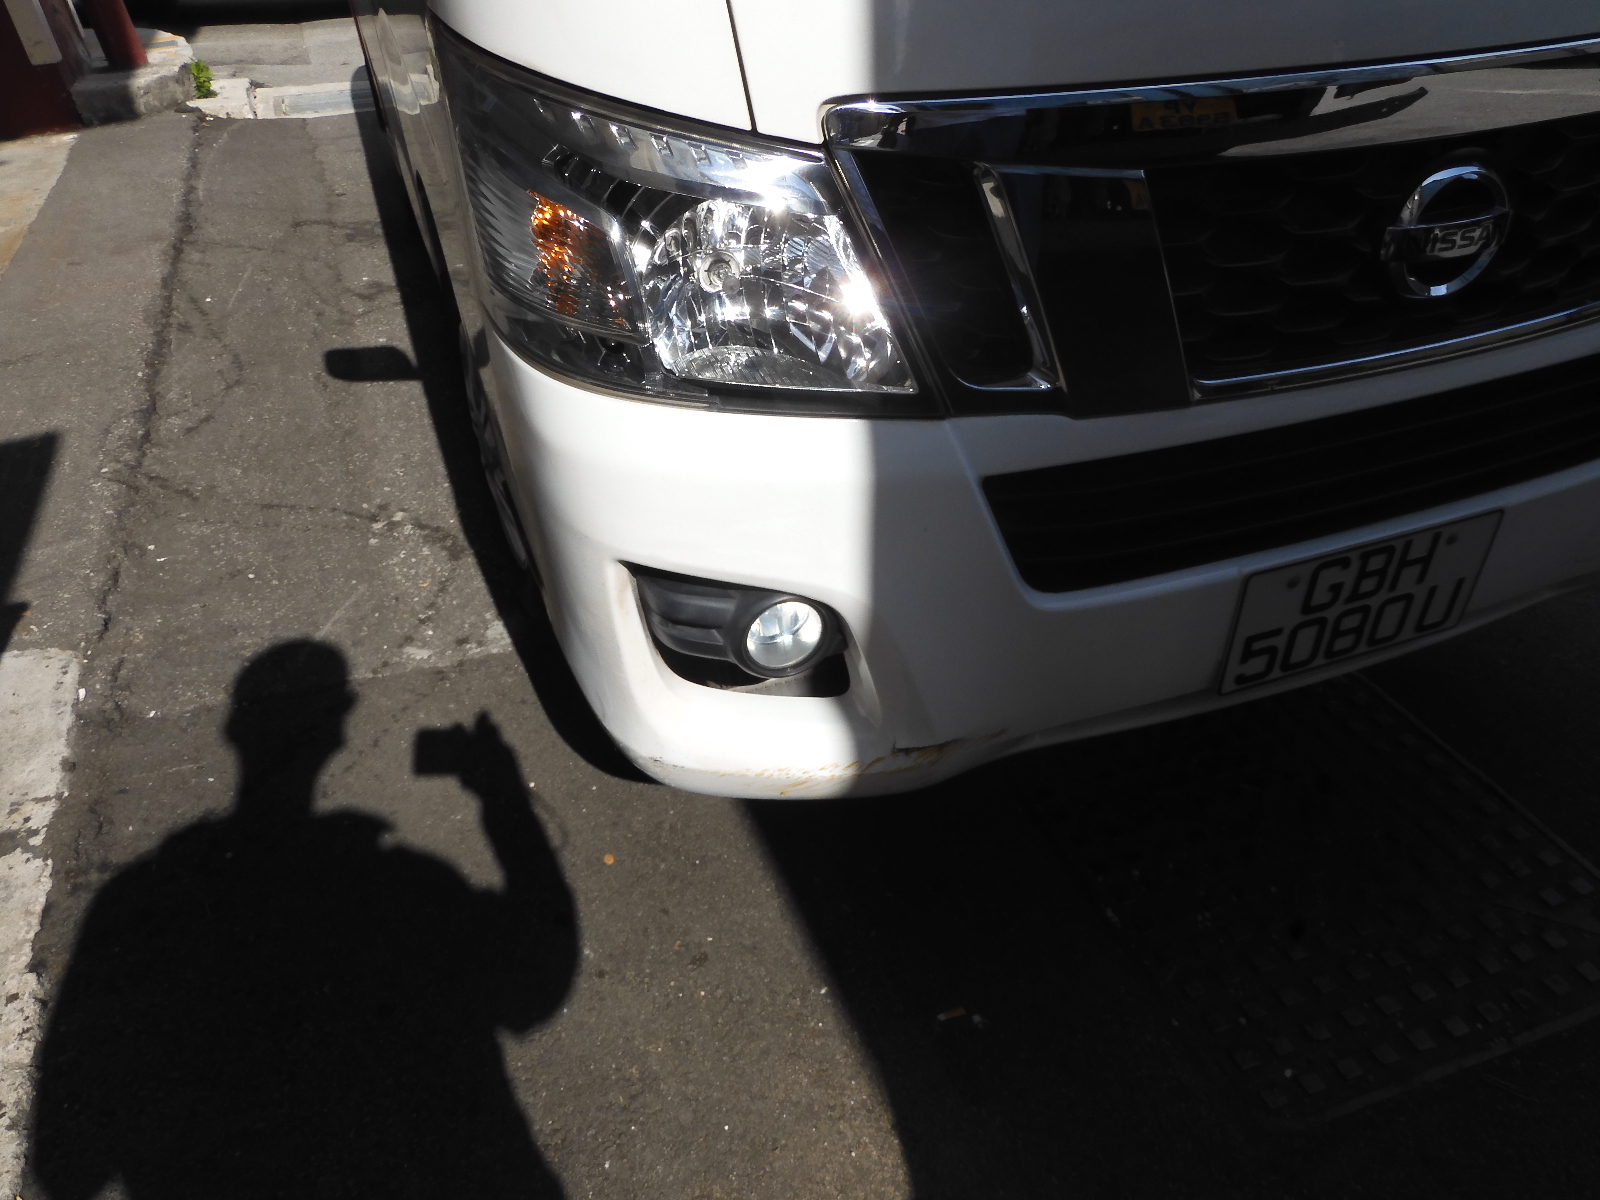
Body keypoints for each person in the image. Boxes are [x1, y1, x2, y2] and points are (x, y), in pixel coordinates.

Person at [31, 640, 576, 1198]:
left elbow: (67, 1164)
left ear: (233, 732)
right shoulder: (412, 885)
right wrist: (504, 798)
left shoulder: (138, 900)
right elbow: (536, 987)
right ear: (338, 730)